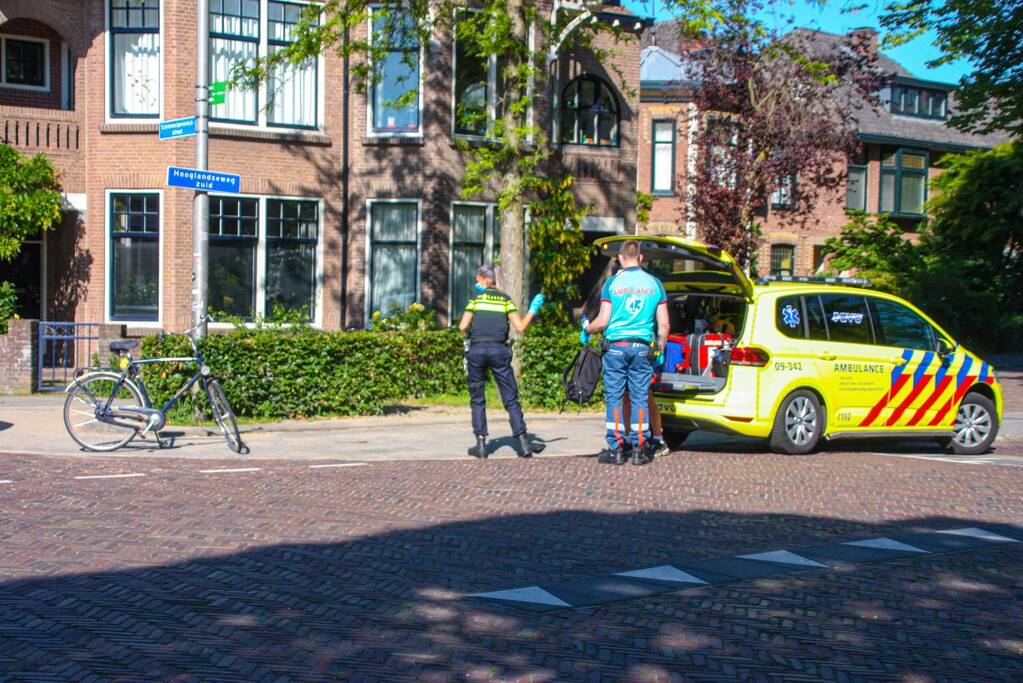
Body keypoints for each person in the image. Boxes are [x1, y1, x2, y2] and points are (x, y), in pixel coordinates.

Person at [582, 240, 669, 466]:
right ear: (640, 258)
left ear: (620, 258)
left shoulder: (612, 283)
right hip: (642, 348)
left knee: (615, 398)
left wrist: (587, 328)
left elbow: (603, 321)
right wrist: (659, 347)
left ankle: (617, 448)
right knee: (640, 398)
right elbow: (664, 325)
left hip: (616, 348)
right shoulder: (655, 284)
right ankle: (640, 449)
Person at [459, 264, 546, 460]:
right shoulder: (505, 300)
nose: (476, 283)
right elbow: (520, 327)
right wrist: (533, 309)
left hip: (477, 350)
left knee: (478, 398)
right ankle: (524, 443)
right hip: (499, 350)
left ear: (484, 279)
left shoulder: (475, 300)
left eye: (477, 279)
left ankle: (481, 445)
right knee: (510, 398)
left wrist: (470, 335)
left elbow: (463, 326)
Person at [608, 258, 671, 458]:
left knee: (642, 396)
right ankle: (632, 440)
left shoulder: (619, 284)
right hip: (639, 350)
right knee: (632, 397)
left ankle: (657, 439)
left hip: (631, 349)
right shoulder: (647, 284)